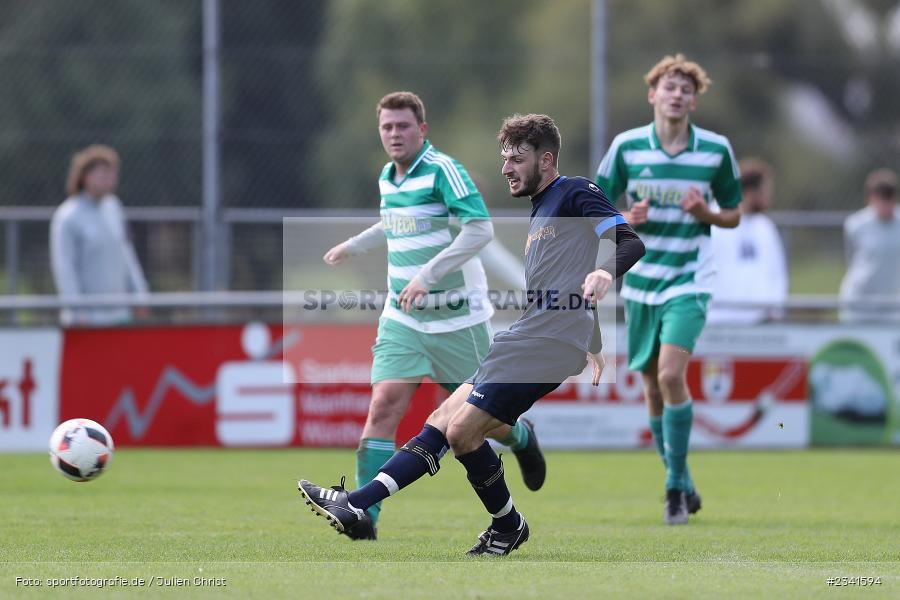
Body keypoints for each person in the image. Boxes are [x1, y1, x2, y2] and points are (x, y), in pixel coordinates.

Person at [299, 113, 644, 556]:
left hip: (547, 343)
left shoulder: (575, 191)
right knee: (448, 423)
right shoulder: (541, 208)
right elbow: (565, 282)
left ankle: (358, 504)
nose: (506, 168)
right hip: (533, 335)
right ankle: (504, 525)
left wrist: (604, 272)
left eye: (517, 159)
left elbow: (629, 241)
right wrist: (593, 339)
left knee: (460, 429)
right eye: (504, 159)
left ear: (547, 159)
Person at [320, 92, 544, 540]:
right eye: (387, 127)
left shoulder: (444, 170)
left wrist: (429, 273)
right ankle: (366, 518)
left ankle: (520, 437)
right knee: (384, 404)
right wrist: (352, 246)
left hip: (458, 321)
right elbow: (392, 222)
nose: (394, 134)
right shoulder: (389, 176)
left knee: (485, 422)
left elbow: (481, 229)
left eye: (403, 126)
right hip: (403, 318)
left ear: (422, 129)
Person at [594, 54, 742, 525]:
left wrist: (708, 215)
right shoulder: (628, 147)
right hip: (640, 281)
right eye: (668, 87)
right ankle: (683, 479)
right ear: (652, 95)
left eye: (685, 88)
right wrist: (624, 220)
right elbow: (593, 204)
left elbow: (735, 212)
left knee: (673, 375)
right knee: (654, 389)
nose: (676, 94)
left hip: (689, 280)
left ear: (694, 100)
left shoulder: (715, 150)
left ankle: (674, 490)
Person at [50, 144, 149, 326]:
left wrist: (140, 294)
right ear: (86, 176)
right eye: (103, 174)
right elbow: (65, 268)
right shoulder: (68, 216)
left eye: (112, 174)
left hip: (120, 316)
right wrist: (77, 311)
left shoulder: (114, 208)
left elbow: (126, 255)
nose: (110, 179)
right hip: (87, 321)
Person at [708, 158, 788, 324]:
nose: (769, 196)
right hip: (719, 322)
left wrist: (775, 310)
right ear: (750, 192)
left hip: (760, 323)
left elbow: (777, 273)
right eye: (765, 190)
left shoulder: (765, 227)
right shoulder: (713, 223)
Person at [839, 168, 900, 322]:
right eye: (881, 199)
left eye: (889, 199)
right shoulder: (856, 224)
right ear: (871, 198)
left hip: (892, 305)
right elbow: (851, 259)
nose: (886, 206)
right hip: (859, 303)